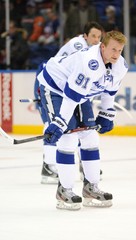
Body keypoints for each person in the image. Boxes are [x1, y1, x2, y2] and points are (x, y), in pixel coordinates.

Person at [37, 30, 128, 210]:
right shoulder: (89, 64)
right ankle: (64, 190)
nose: (116, 54)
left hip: (79, 91)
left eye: (120, 50)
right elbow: (71, 97)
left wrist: (106, 114)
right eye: (113, 50)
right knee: (68, 136)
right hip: (55, 86)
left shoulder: (120, 65)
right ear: (102, 47)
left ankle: (90, 187)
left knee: (90, 136)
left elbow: (109, 93)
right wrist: (60, 123)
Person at [34, 21, 103, 184]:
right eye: (93, 36)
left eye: (99, 37)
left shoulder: (94, 51)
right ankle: (49, 166)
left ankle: (84, 165)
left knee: (81, 126)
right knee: (56, 122)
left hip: (68, 84)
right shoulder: (78, 45)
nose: (96, 40)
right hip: (51, 81)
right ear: (85, 36)